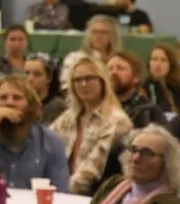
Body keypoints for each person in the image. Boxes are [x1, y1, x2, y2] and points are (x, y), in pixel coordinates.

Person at [0, 74, 68, 187]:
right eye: (3, 98)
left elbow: (61, 192)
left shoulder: (51, 141)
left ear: (30, 105)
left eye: (17, 98)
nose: (9, 103)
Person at [51, 58, 133, 195]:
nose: (83, 84)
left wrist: (57, 189)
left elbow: (92, 171)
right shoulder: (68, 117)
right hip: (61, 191)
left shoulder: (116, 120)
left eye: (89, 78)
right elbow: (46, 145)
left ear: (102, 81)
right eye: (77, 80)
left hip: (92, 196)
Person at [62, 14, 122, 82]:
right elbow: (65, 85)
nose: (99, 36)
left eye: (104, 32)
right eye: (95, 32)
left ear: (113, 36)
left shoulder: (120, 60)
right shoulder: (75, 58)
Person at [106, 51, 158, 123]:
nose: (113, 72)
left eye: (120, 68)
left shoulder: (148, 111)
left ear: (136, 77)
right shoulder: (99, 107)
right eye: (110, 68)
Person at [142, 42, 180, 118]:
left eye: (163, 60)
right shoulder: (143, 87)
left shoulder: (178, 88)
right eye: (154, 59)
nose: (158, 64)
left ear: (171, 64)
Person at [22, 54, 61, 124]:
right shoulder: (19, 103)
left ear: (49, 78)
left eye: (37, 74)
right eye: (26, 73)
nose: (30, 79)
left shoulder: (58, 107)